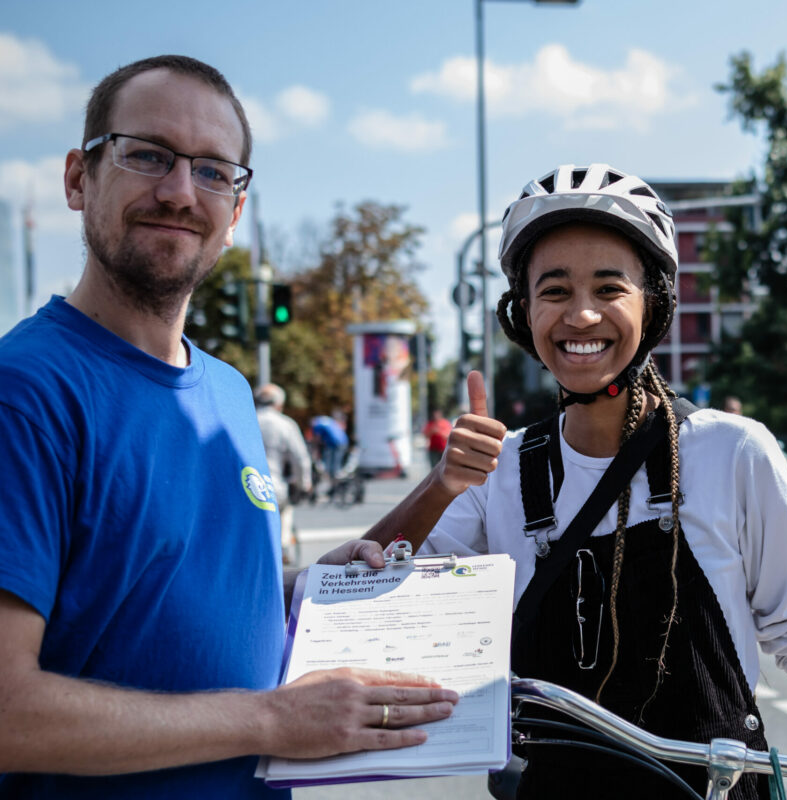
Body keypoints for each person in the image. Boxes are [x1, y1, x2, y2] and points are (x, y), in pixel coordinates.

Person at [364, 164, 787, 799]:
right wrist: (442, 483)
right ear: (523, 312)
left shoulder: (731, 451)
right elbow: (357, 594)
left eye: (610, 288)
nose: (581, 315)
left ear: (654, 303)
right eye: (553, 291)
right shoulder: (497, 472)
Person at [0, 55, 456, 799]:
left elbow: (147, 602)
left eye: (214, 171)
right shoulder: (25, 391)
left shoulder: (231, 391)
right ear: (79, 179)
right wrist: (269, 721)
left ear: (235, 211)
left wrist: (300, 589)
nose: (181, 192)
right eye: (148, 155)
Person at [255, 383, 313, 563]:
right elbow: (300, 459)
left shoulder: (247, 419)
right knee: (286, 510)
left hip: (247, 486)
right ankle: (283, 545)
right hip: (274, 486)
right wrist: (304, 484)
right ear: (279, 404)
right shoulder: (285, 424)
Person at [311, 410, 349, 492]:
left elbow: (317, 438)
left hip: (334, 444)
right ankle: (336, 479)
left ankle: (332, 481)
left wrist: (315, 448)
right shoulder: (327, 420)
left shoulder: (316, 424)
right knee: (336, 463)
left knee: (329, 465)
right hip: (343, 441)